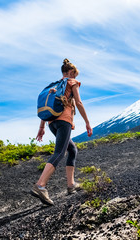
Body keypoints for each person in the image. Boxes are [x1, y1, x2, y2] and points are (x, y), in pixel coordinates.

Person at [31, 58, 93, 205]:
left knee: (72, 149)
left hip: (52, 122)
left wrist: (42, 127)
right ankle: (40, 185)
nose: (75, 78)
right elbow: (78, 102)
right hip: (64, 121)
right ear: (71, 73)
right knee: (59, 153)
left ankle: (71, 185)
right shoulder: (71, 83)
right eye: (75, 75)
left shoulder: (54, 85)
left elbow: (48, 106)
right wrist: (87, 123)